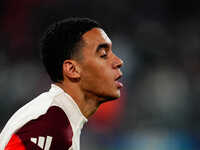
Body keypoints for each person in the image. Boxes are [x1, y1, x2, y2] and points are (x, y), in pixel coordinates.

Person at [0, 17, 123, 150]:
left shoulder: (61, 119)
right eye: (103, 54)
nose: (119, 61)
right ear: (72, 69)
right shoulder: (50, 123)